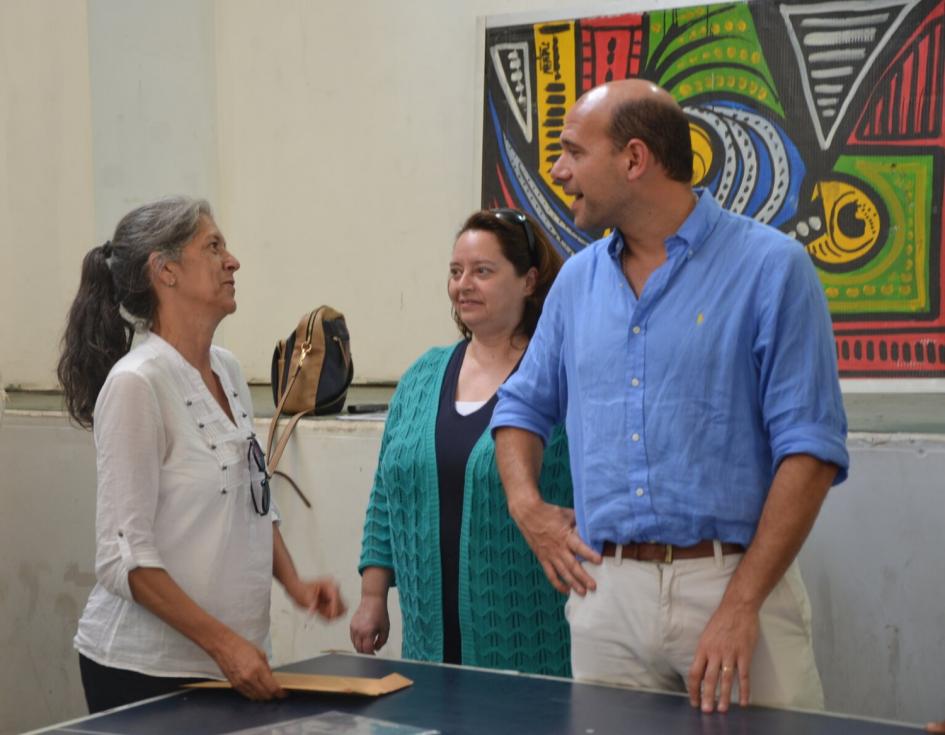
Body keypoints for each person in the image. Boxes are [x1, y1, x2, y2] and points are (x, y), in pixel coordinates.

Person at [491, 80, 849, 713]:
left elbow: (811, 451)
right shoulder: (575, 283)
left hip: (736, 588)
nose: (557, 170)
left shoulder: (772, 269)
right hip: (607, 594)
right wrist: (528, 508)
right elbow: (520, 408)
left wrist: (741, 606)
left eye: (573, 151)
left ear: (634, 159)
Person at [58, 197, 345, 713]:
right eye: (213, 247)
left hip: (230, 663)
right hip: (144, 672)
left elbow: (252, 494)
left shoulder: (228, 370)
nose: (232, 260)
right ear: (164, 270)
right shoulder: (135, 385)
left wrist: (295, 582)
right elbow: (125, 560)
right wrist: (222, 643)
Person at [350, 209, 572, 675]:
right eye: (456, 272)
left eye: (482, 272)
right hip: (429, 638)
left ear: (529, 281)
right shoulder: (422, 376)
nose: (463, 284)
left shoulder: (556, 376)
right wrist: (373, 596)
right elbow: (383, 497)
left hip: (527, 640)